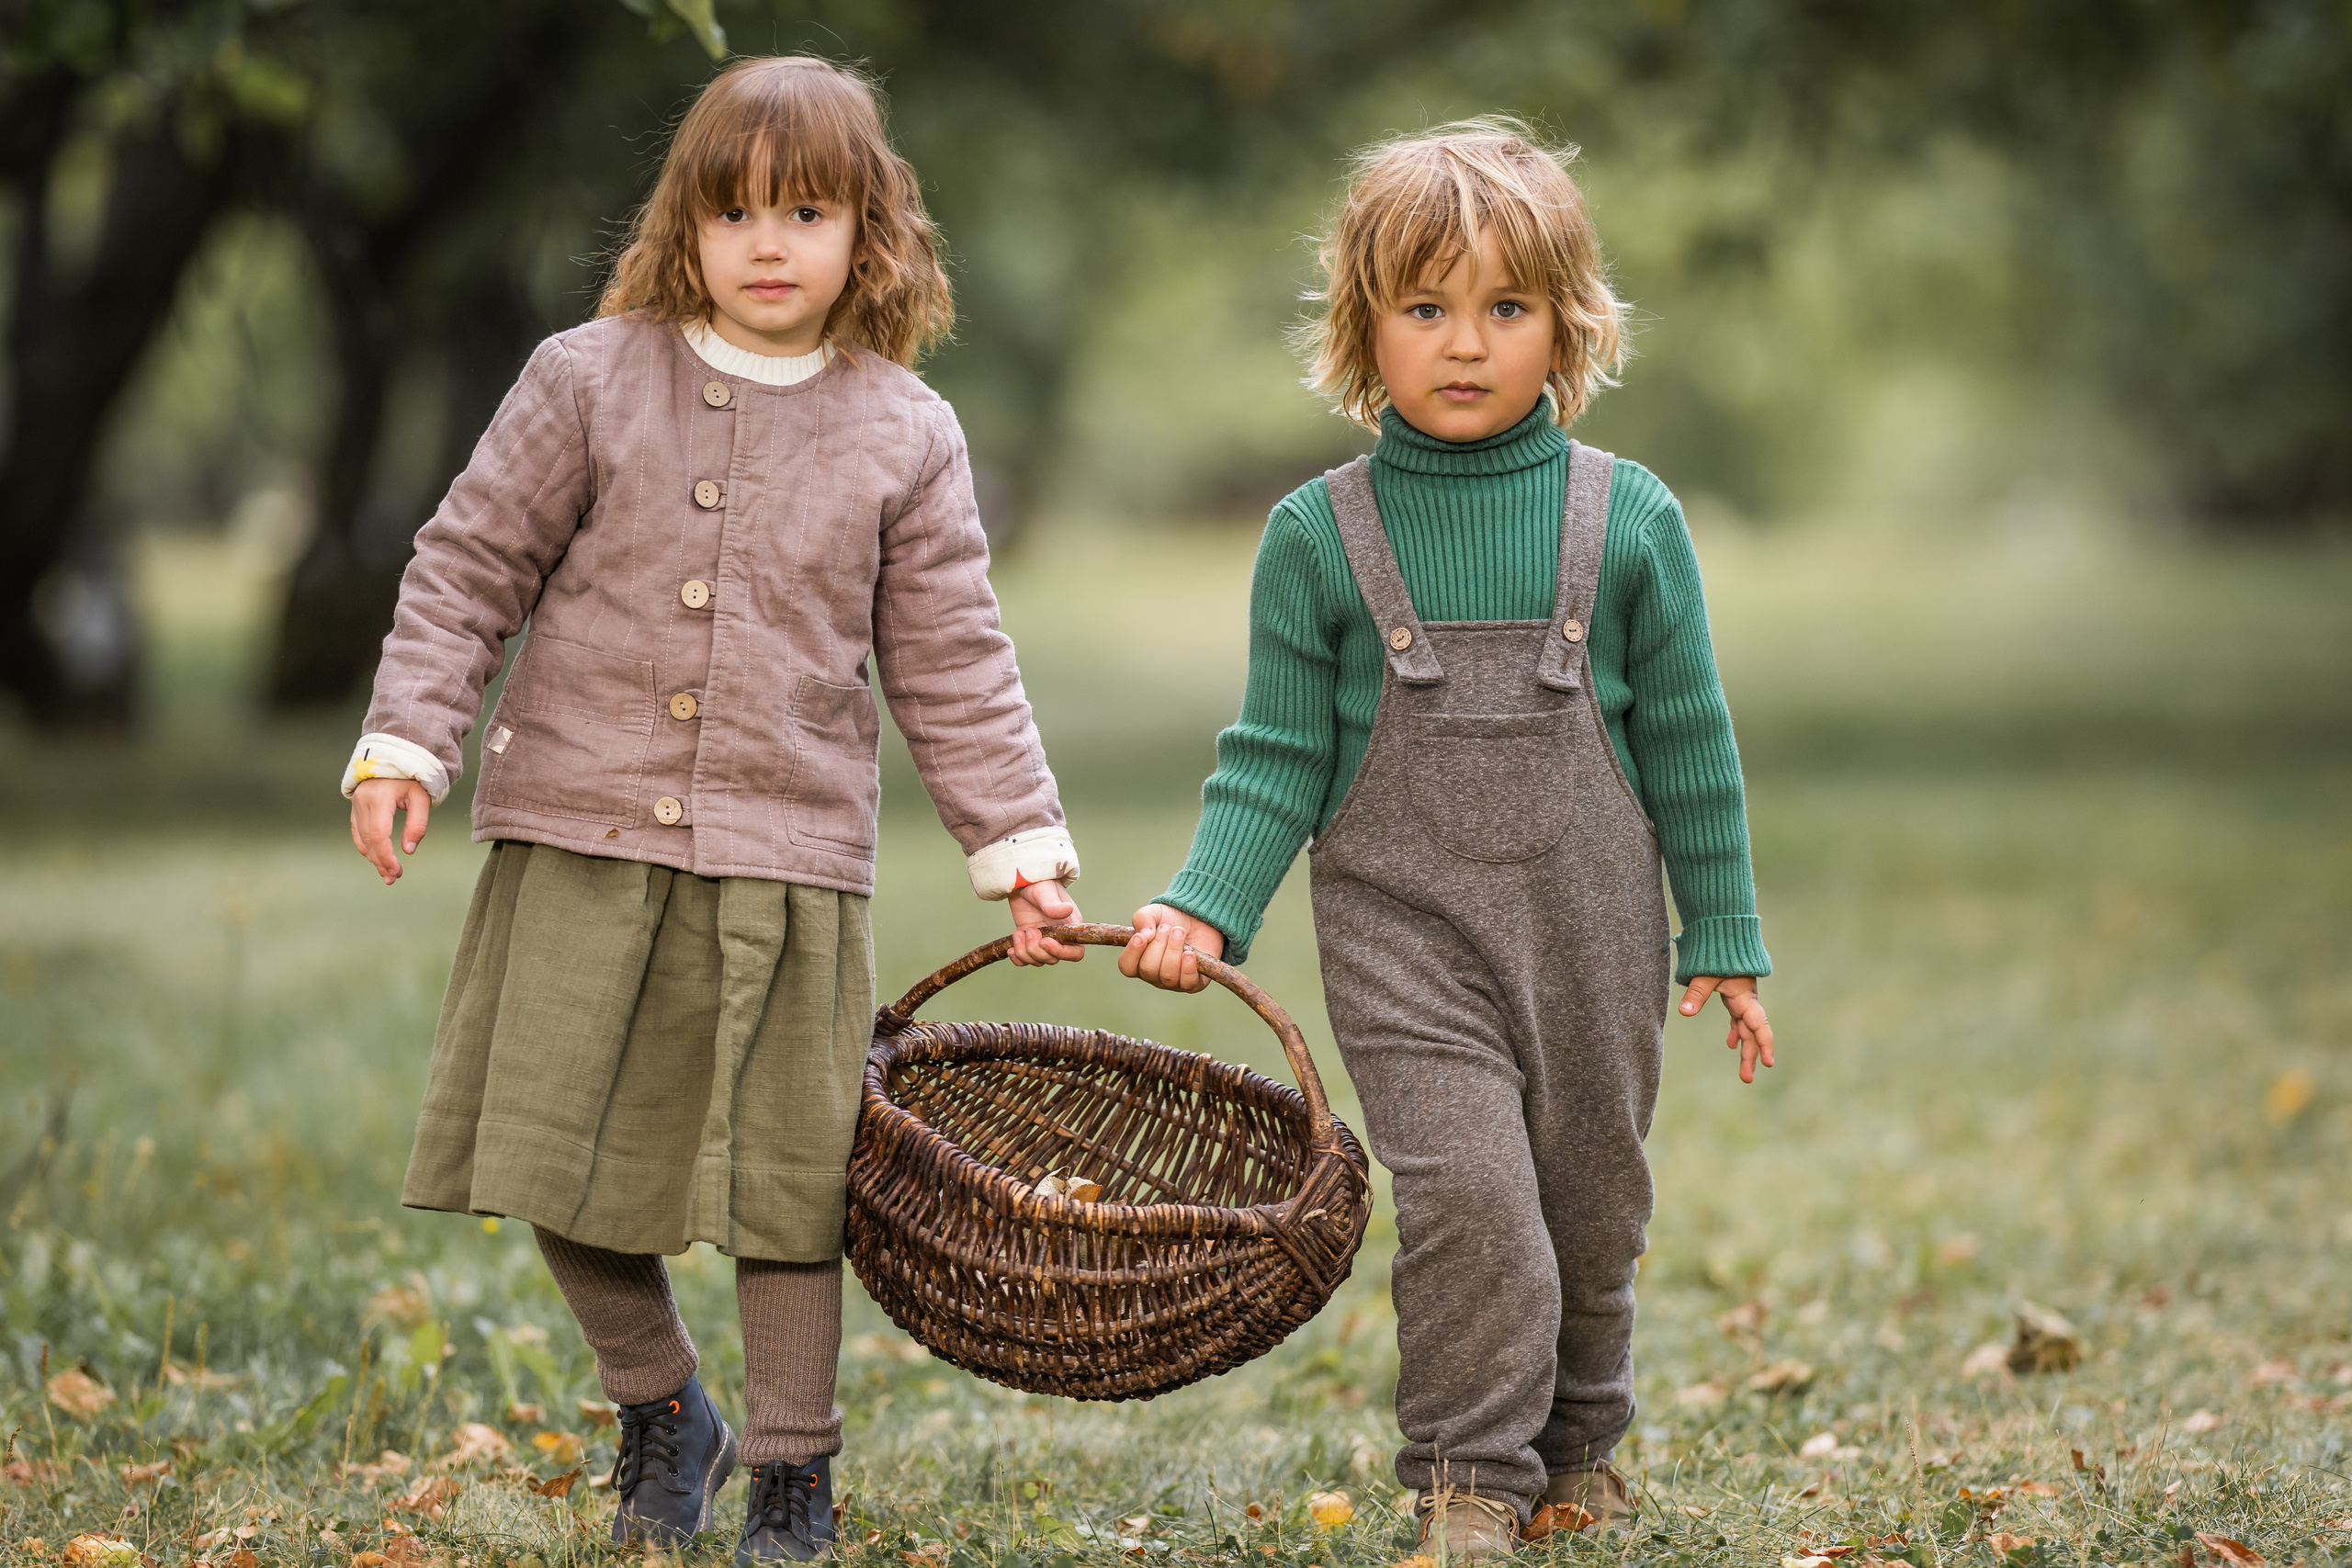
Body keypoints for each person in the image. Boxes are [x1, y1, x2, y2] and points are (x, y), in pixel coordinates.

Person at [342, 56, 1084, 1564]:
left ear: (868, 231)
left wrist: (1017, 845)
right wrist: (408, 742)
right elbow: (469, 565)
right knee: (552, 1143)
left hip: (788, 861)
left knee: (784, 1186)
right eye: (734, 210)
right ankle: (664, 1402)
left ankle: (796, 1475)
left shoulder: (907, 432)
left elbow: (953, 660)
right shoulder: (583, 379)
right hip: (580, 833)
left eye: (805, 211)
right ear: (684, 225)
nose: (767, 244)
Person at [1118, 119, 1775, 1559]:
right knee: (1475, 1201)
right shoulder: (1317, 536)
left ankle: (1581, 1443)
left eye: (1504, 309)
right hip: (1405, 943)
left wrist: (1720, 930)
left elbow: (1691, 744)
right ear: (1365, 328)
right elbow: (1276, 754)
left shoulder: (1632, 519)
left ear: (1567, 324)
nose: (1463, 343)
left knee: (1590, 1206)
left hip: (1592, 934)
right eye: (1425, 309)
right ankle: (1470, 1480)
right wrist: (1205, 907)